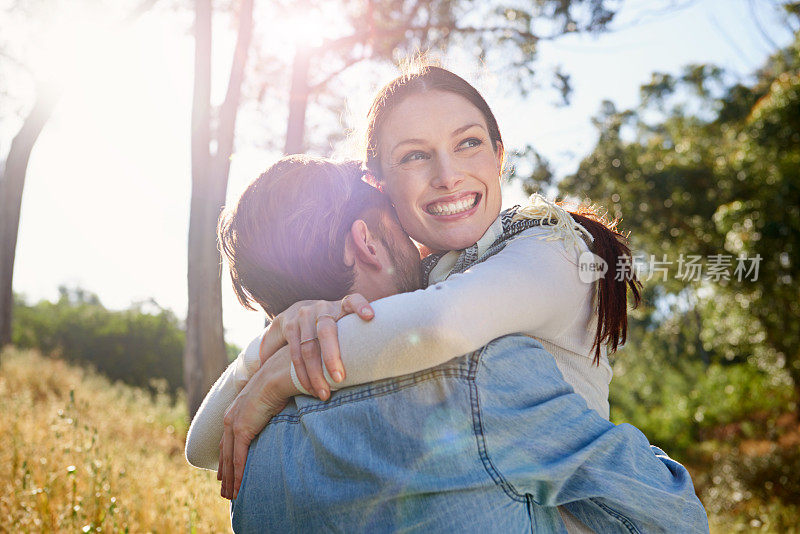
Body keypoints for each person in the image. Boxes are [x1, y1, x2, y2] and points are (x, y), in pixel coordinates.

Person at [185, 156, 709, 532]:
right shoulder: (483, 376)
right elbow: (671, 516)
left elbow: (197, 449)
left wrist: (266, 355)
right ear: (367, 241)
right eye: (396, 222)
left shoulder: (249, 444)